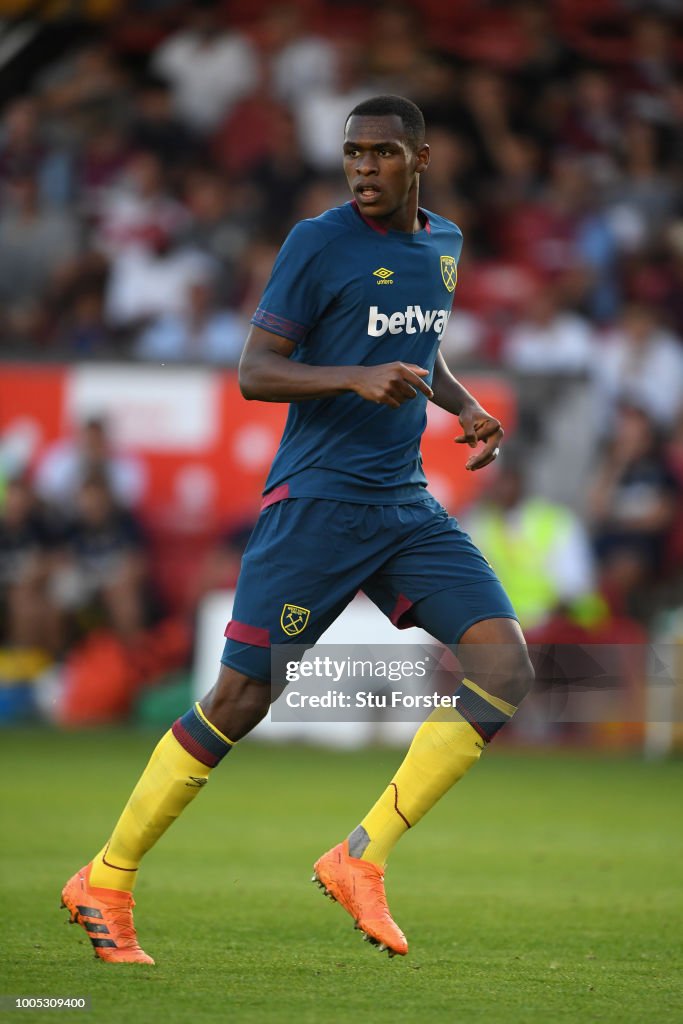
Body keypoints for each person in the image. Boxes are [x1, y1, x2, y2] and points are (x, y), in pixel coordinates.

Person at [61, 95, 533, 965]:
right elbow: (254, 372)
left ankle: (361, 856)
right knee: (242, 699)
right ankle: (107, 875)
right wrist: (353, 379)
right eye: (352, 152)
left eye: (382, 153)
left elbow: (419, 346)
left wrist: (462, 406)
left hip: (403, 505)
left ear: (419, 158)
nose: (362, 168)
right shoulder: (315, 243)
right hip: (314, 506)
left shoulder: (446, 246)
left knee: (506, 666)